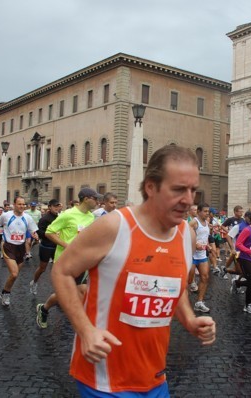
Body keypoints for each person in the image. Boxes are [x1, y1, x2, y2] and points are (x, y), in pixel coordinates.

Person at [51, 145, 216, 395]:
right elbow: (62, 271)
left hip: (155, 377)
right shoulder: (114, 227)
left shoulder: (186, 235)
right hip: (104, 380)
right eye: (178, 189)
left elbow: (174, 286)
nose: (189, 200)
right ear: (151, 187)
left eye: (193, 190)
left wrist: (189, 320)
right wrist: (85, 331)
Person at [36, 188, 100, 328]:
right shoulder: (67, 215)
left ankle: (80, 324)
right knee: (67, 293)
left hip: (81, 261)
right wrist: (67, 245)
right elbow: (49, 232)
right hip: (65, 261)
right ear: (86, 199)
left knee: (79, 290)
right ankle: (45, 309)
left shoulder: (90, 216)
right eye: (95, 198)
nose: (97, 201)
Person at [0, 196, 38, 306]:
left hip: (21, 248)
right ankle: (7, 294)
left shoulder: (27, 217)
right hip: (8, 246)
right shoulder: (6, 215)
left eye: (23, 204)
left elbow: (33, 230)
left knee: (15, 274)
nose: (22, 206)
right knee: (14, 274)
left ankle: (4, 291)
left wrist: (35, 235)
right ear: (14, 204)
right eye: (19, 204)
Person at [29, 199, 62, 295]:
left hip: (57, 246)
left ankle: (58, 290)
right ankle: (34, 282)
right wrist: (51, 234)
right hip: (46, 246)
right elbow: (39, 232)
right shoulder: (44, 219)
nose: (57, 208)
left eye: (58, 206)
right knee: (42, 268)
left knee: (58, 269)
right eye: (55, 206)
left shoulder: (61, 217)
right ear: (50, 207)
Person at [188, 203, 212, 313]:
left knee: (205, 277)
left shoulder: (207, 223)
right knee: (188, 280)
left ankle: (199, 302)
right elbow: (184, 235)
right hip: (191, 255)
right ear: (199, 212)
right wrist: (194, 243)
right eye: (205, 211)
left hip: (202, 255)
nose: (207, 213)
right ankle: (182, 302)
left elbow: (204, 237)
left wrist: (207, 245)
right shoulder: (194, 222)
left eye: (208, 211)